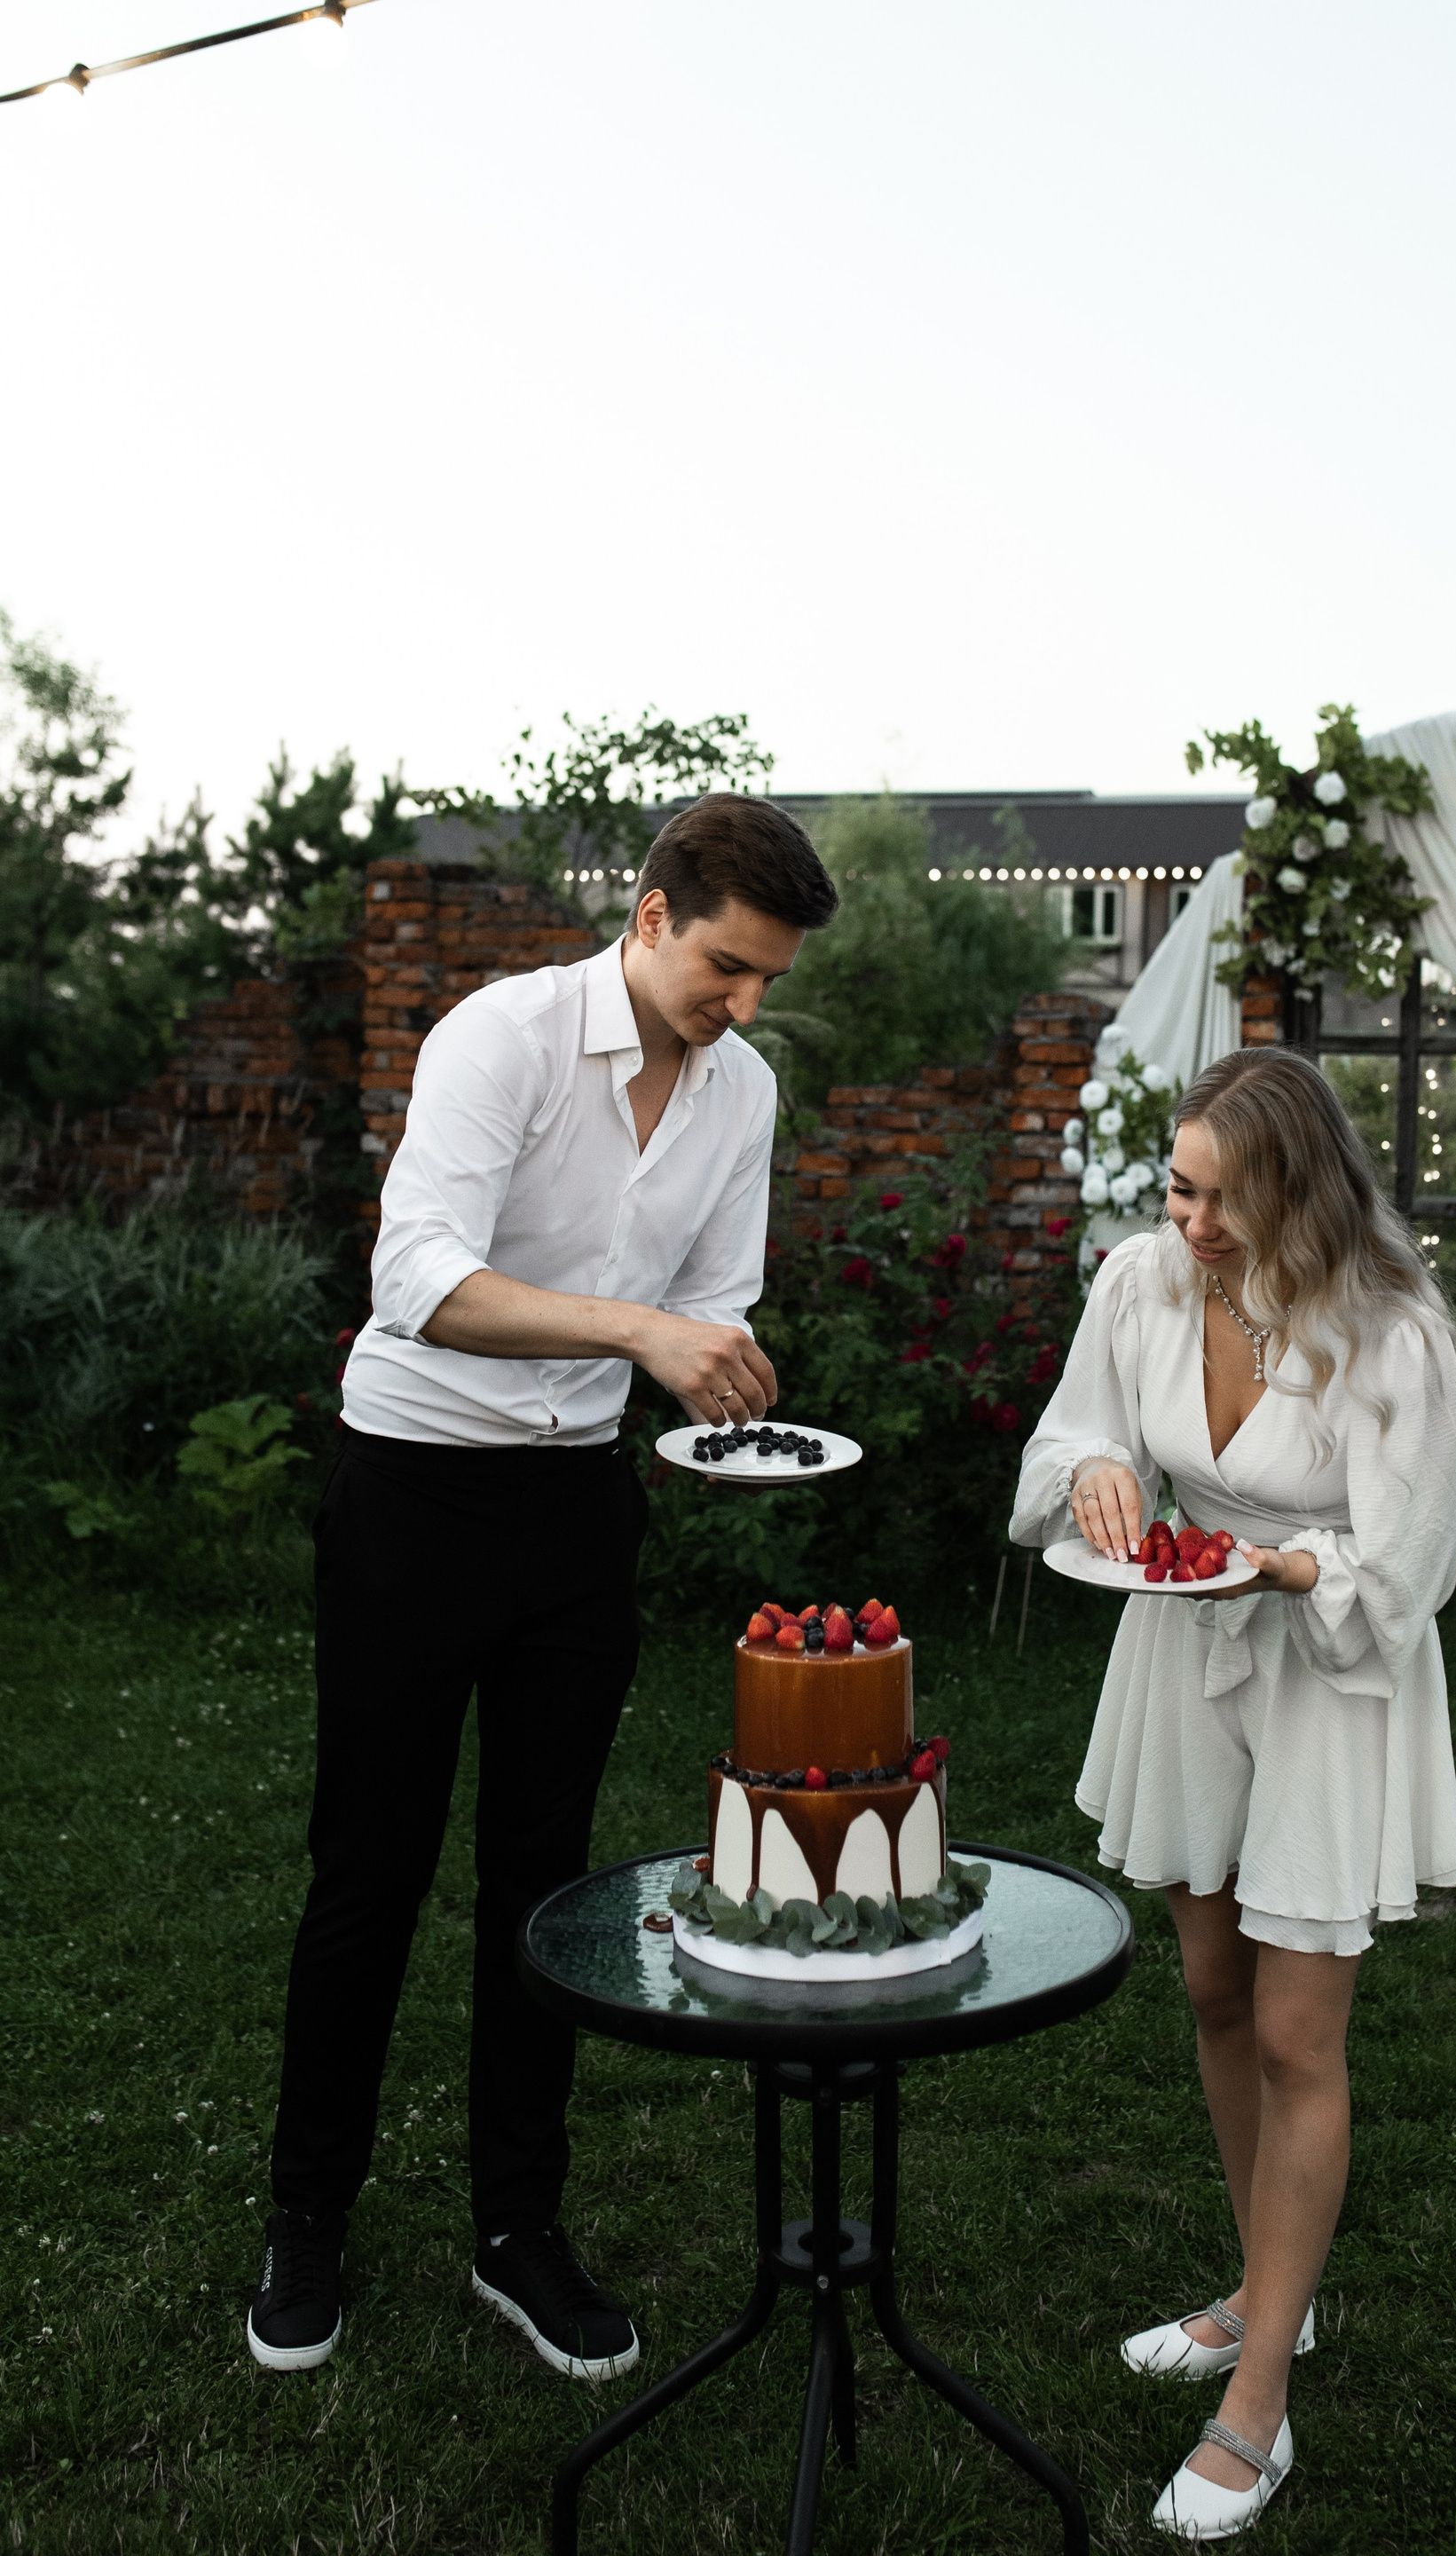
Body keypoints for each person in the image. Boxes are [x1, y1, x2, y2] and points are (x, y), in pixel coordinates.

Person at [246, 794, 837, 2380]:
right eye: (725, 967)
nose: (744, 1006)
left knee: (546, 1886)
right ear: (649, 917)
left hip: (578, 1510)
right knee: (370, 1870)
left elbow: (711, 1299)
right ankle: (308, 2217)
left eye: (767, 980)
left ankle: (518, 2228)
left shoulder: (743, 1090)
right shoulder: (499, 1038)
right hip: (411, 1490)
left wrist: (714, 1381)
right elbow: (417, 1281)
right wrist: (642, 1334)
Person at [1010, 1046, 1456, 2541]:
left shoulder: (1389, 1333)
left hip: (1328, 1675)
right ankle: (1273, 2290)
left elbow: (1410, 1570)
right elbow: (1071, 1435)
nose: (1193, 1224)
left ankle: (1258, 2401)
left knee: (1293, 2031)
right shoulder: (1142, 1284)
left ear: (1300, 1195)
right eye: (1179, 1189)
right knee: (1214, 1992)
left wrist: (1286, 1568)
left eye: (1225, 1200)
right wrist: (1099, 1471)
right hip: (1183, 1647)